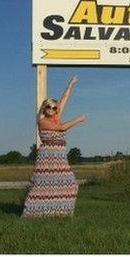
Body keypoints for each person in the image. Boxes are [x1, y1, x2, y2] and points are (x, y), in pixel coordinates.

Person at [22, 75, 87, 218]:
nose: (52, 109)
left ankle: (62, 212)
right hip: (47, 157)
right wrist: (78, 119)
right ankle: (33, 213)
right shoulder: (43, 121)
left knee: (70, 184)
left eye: (54, 107)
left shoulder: (56, 117)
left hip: (60, 156)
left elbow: (64, 99)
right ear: (44, 109)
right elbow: (62, 128)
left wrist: (70, 85)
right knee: (41, 186)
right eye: (48, 107)